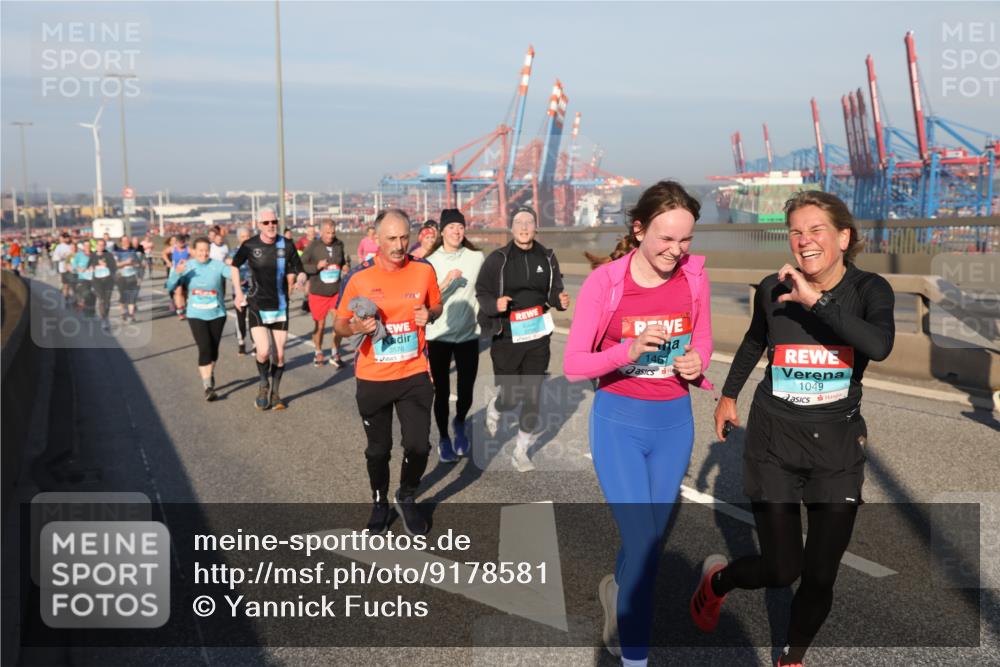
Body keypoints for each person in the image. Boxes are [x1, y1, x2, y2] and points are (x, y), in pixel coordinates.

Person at [690, 191, 895, 667]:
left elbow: (879, 345)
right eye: (796, 232)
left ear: (843, 237)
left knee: (820, 574)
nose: (804, 241)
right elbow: (755, 340)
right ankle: (718, 581)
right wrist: (727, 395)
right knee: (782, 569)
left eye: (816, 230)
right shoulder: (772, 287)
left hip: (837, 449)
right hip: (775, 442)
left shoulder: (870, 291)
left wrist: (817, 301)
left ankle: (791, 658)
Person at [564, 181, 712, 665]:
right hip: (619, 424)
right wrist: (625, 352)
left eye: (686, 240)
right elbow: (574, 363)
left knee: (643, 539)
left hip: (674, 424)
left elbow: (704, 343)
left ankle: (616, 594)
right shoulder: (605, 282)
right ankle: (635, 658)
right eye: (666, 239)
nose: (677, 251)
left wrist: (695, 364)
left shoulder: (694, 277)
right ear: (639, 228)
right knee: (647, 546)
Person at [333, 208, 442, 536]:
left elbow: (436, 305)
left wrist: (430, 314)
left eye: (404, 237)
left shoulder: (423, 270)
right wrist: (355, 326)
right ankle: (379, 500)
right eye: (391, 238)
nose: (399, 245)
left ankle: (406, 495)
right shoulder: (359, 277)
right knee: (378, 449)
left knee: (419, 446)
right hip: (374, 377)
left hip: (414, 374)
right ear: (376, 238)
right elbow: (338, 325)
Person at [474, 205, 570, 472]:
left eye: (529, 222)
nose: (524, 227)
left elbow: (554, 292)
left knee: (532, 396)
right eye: (519, 222)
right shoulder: (498, 259)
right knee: (511, 396)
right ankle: (496, 407)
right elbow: (481, 291)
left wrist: (559, 301)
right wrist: (495, 304)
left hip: (538, 336)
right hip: (506, 336)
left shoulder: (548, 257)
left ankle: (521, 451)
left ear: (536, 228)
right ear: (511, 228)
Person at [424, 209, 484, 462]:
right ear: (442, 231)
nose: (456, 231)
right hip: (438, 335)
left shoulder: (477, 257)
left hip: (469, 335)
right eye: (451, 227)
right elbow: (425, 298)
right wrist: (446, 282)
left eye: (460, 227)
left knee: (466, 389)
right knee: (441, 390)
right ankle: (444, 438)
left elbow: (491, 285)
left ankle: (459, 422)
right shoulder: (431, 261)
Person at [231, 208, 304, 411]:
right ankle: (263, 384)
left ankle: (275, 393)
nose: (271, 225)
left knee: (279, 356)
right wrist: (238, 292)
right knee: (263, 351)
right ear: (259, 224)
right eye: (266, 223)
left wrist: (301, 278)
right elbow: (234, 265)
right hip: (257, 305)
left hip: (280, 305)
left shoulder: (286, 244)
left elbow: (300, 269)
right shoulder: (250, 245)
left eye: (274, 221)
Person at [166, 237, 231, 401]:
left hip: (217, 314)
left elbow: (234, 275)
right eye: (200, 250)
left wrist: (234, 266)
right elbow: (170, 286)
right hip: (195, 314)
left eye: (206, 250)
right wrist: (176, 273)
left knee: (213, 350)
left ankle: (210, 372)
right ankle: (208, 386)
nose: (204, 253)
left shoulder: (217, 265)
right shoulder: (187, 266)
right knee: (204, 347)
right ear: (193, 251)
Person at [300, 220, 347, 368]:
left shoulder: (339, 245)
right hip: (318, 292)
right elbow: (301, 264)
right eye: (327, 233)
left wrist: (345, 266)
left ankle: (335, 352)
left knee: (339, 324)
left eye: (333, 232)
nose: (331, 235)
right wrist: (316, 266)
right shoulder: (313, 246)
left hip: (335, 291)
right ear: (321, 232)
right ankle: (318, 351)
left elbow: (343, 261)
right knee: (320, 326)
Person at [228, 226, 253, 355]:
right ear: (239, 239)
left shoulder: (256, 250)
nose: (246, 239)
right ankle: (241, 342)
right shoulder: (233, 253)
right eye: (243, 237)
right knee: (241, 318)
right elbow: (230, 269)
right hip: (238, 291)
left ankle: (255, 344)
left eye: (248, 236)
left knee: (254, 317)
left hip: (254, 290)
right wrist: (238, 281)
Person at [92, 239, 118, 330]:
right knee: (101, 300)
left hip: (108, 281)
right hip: (97, 281)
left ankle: (106, 316)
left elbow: (114, 267)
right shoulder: (93, 255)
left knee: (107, 301)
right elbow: (88, 267)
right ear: (96, 246)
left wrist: (106, 265)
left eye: (103, 245)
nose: (100, 247)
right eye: (99, 245)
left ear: (105, 246)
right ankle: (103, 319)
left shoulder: (109, 255)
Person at [114, 236, 141, 322]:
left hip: (132, 275)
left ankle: (131, 315)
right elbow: (115, 264)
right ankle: (123, 312)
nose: (126, 242)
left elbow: (138, 263)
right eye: (124, 241)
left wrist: (134, 264)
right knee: (123, 296)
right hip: (121, 276)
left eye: (127, 240)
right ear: (121, 242)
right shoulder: (117, 252)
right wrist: (126, 263)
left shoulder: (133, 251)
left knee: (132, 296)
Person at [52, 234, 76, 306]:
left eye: (68, 238)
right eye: (65, 238)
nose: (67, 240)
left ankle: (73, 300)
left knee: (73, 285)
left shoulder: (73, 245)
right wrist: (61, 257)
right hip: (63, 269)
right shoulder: (59, 247)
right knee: (66, 285)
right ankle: (66, 300)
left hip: (73, 269)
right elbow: (54, 258)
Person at [72, 242, 96, 316]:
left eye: (89, 245)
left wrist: (94, 268)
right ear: (83, 247)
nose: (87, 247)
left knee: (93, 295)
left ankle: (91, 310)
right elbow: (74, 264)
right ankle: (85, 309)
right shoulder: (79, 255)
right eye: (85, 245)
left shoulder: (94, 254)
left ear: (91, 246)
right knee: (86, 293)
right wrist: (79, 268)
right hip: (82, 277)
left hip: (93, 277)